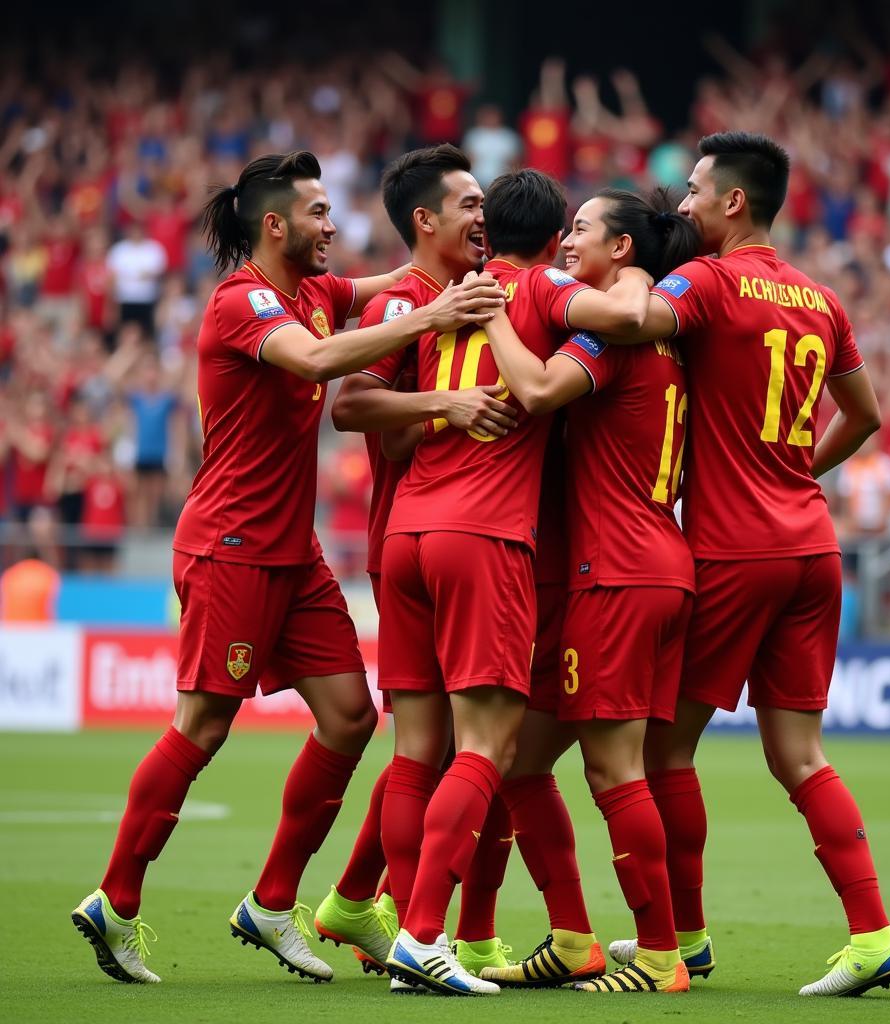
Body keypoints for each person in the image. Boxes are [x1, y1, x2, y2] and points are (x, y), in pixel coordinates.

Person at [70, 150, 504, 986]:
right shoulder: (243, 303)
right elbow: (313, 362)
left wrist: (458, 281)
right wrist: (429, 319)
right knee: (201, 727)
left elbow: (394, 284)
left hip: (291, 551)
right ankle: (116, 902)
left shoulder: (319, 291)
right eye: (317, 214)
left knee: (349, 718)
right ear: (276, 224)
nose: (332, 226)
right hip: (230, 543)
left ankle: (272, 903)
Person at [602, 132, 890, 998]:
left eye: (696, 191)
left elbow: (630, 322)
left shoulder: (702, 282)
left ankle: (687, 942)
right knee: (801, 755)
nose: (684, 204)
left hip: (735, 552)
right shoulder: (820, 297)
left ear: (734, 202)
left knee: (662, 753)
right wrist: (794, 473)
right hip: (812, 547)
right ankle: (873, 935)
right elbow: (867, 414)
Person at [370, 167, 653, 996]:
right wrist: (634, 272)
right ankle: (423, 937)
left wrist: (445, 406)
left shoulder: (452, 296)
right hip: (484, 536)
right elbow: (626, 318)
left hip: (405, 534)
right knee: (489, 748)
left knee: (417, 753)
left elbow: (376, 424)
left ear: (488, 225)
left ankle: (398, 924)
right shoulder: (543, 289)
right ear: (560, 230)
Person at [476, 188, 701, 994]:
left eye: (582, 230)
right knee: (518, 763)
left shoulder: (610, 341)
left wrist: (489, 304)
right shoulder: (664, 340)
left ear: (625, 251)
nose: (567, 242)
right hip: (654, 567)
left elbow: (535, 393)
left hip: (617, 576)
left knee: (614, 773)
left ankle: (662, 956)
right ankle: (574, 937)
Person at [316, 144, 520, 990]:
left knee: (434, 750)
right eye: (467, 204)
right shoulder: (405, 299)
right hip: (433, 538)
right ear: (424, 222)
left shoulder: (474, 293)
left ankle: (382, 908)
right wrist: (445, 402)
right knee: (448, 746)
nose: (483, 216)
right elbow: (352, 406)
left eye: (486, 204)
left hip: (435, 536)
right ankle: (419, 926)